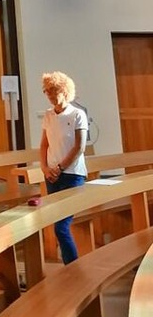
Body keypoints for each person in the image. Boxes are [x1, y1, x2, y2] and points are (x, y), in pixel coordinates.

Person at [40, 71, 88, 264]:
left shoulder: (77, 114)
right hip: (51, 175)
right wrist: (44, 168)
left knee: (61, 226)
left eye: (54, 91)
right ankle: (71, 265)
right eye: (47, 91)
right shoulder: (48, 116)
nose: (50, 95)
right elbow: (44, 145)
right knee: (56, 222)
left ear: (65, 91)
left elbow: (79, 147)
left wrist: (60, 168)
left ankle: (72, 266)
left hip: (72, 175)